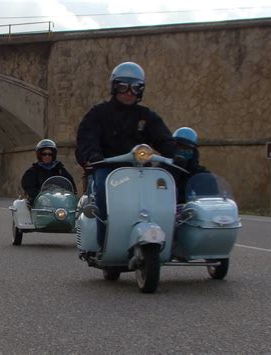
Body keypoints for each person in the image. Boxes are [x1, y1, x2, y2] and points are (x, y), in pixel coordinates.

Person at [76, 61, 177, 251]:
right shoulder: (99, 114)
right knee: (101, 186)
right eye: (123, 86)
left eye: (135, 88)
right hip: (108, 168)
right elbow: (86, 137)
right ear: (115, 87)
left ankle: (167, 236)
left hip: (140, 170)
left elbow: (164, 138)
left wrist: (175, 155)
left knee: (162, 190)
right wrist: (93, 154)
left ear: (141, 91)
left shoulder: (146, 117)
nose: (129, 92)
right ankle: (103, 240)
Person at [21, 139, 77, 205]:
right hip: (39, 203)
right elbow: (29, 188)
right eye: (44, 154)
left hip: (59, 202)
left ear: (53, 155)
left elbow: (70, 184)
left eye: (50, 154)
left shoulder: (60, 169)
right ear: (39, 155)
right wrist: (41, 196)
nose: (47, 156)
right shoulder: (32, 171)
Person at [173, 127, 209, 204]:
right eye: (179, 147)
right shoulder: (163, 172)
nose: (183, 150)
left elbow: (209, 201)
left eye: (188, 148)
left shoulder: (202, 175)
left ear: (194, 151)